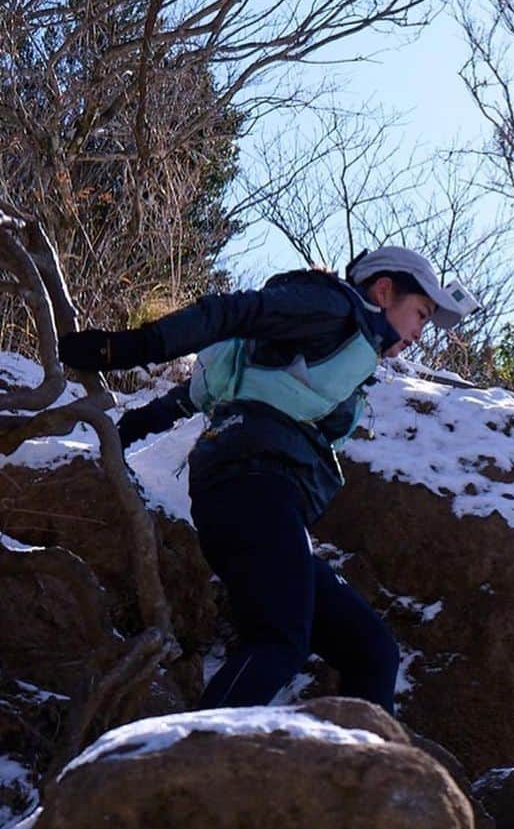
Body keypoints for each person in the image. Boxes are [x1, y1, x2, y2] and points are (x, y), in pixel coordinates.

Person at [58, 246, 478, 708]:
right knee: (279, 640)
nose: (420, 332)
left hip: (257, 498)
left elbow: (196, 395)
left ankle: (365, 777)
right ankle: (184, 766)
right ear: (384, 291)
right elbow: (232, 312)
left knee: (372, 650)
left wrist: (129, 429)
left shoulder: (331, 350)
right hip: (253, 487)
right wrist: (123, 350)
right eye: (420, 313)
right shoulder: (330, 308)